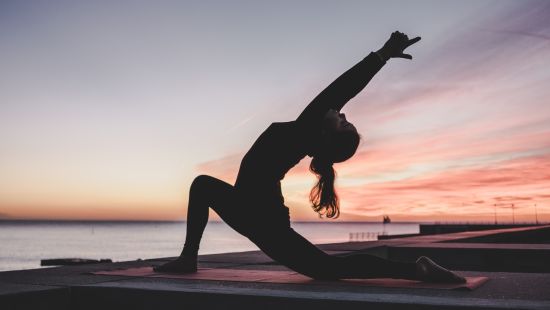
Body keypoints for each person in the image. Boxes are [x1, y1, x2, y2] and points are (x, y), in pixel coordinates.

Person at [154, 31, 465, 283]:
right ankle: (188, 258)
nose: (341, 112)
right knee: (202, 185)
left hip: (262, 219)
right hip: (249, 208)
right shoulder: (305, 135)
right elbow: (340, 94)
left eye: (343, 122)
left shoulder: (306, 130)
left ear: (327, 137)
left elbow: (343, 88)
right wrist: (381, 56)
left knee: (328, 270)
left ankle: (416, 269)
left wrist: (381, 55)